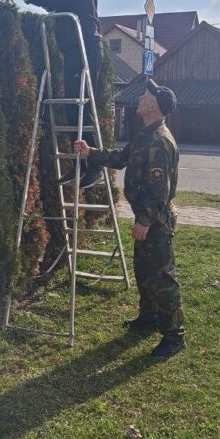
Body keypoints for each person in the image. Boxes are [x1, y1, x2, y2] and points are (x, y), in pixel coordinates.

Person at [73, 79, 185, 358]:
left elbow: (159, 190)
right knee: (144, 271)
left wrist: (144, 221)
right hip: (147, 218)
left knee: (162, 278)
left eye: (145, 96)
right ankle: (148, 316)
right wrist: (91, 153)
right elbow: (121, 158)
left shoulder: (159, 141)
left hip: (156, 221)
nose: (140, 99)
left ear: (154, 106)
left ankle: (174, 336)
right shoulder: (144, 135)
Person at [19, 0, 103, 187]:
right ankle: (80, 164)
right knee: (72, 109)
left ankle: (94, 165)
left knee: (81, 108)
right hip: (76, 51)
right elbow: (55, 0)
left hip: (84, 50)